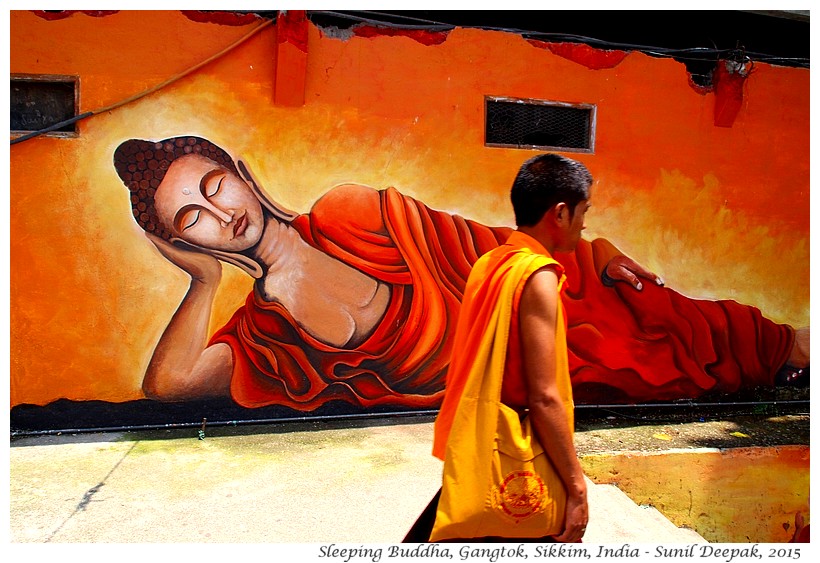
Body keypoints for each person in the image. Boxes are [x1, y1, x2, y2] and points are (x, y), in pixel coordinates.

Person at [112, 136, 808, 412]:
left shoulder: (352, 211)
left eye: (212, 186)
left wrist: (591, 252)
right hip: (515, 393)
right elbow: (167, 385)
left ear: (238, 173)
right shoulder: (265, 331)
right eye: (190, 218)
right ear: (179, 239)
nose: (218, 213)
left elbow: (494, 246)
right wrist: (201, 282)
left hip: (560, 323)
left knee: (709, 331)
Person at [407, 153, 592, 542]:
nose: (585, 223)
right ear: (560, 213)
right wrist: (577, 489)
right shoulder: (536, 276)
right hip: (512, 456)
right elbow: (544, 396)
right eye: (583, 211)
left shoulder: (492, 262)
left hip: (479, 441)